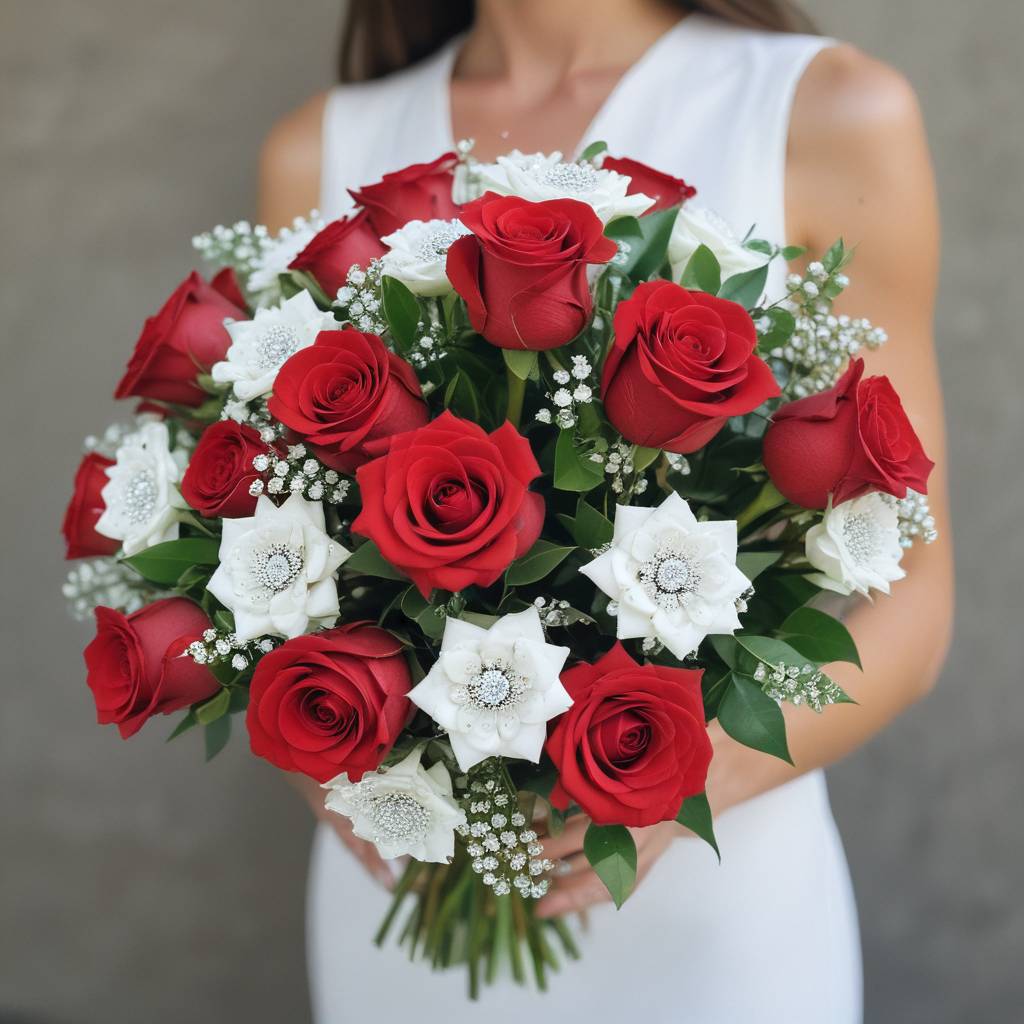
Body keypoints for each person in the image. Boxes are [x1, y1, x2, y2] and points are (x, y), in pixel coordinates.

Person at [258, 2, 953, 1020]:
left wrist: (679, 776)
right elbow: (267, 533)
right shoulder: (323, 144)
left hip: (705, 913)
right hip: (402, 901)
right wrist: (324, 768)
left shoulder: (828, 108)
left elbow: (917, 601)